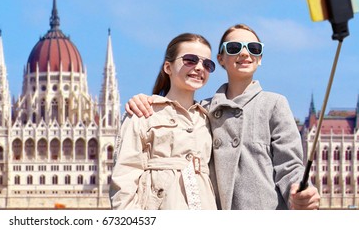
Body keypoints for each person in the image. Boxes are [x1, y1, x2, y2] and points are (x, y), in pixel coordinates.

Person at [124, 24, 320, 210]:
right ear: (220, 59)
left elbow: (290, 165)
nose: (244, 53)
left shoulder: (274, 104)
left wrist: (299, 190)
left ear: (260, 58)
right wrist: (146, 101)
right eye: (234, 48)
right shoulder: (202, 110)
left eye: (253, 48)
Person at [110, 33, 218, 210]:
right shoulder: (143, 112)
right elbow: (124, 178)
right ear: (168, 67)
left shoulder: (209, 117)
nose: (200, 68)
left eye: (207, 64)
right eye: (190, 60)